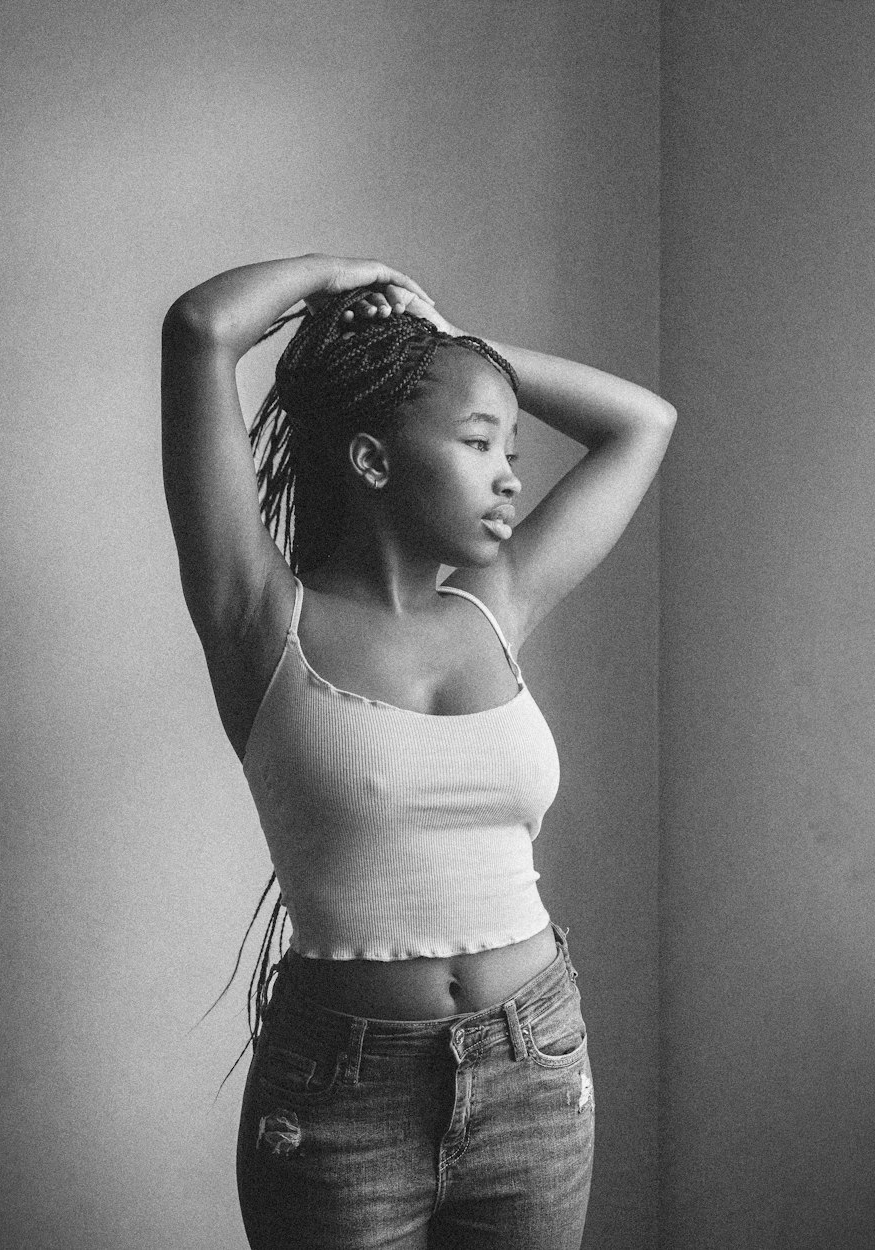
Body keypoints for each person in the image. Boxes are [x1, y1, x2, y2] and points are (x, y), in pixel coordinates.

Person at [160, 253, 675, 1249]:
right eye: (478, 440)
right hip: (339, 1094)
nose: (511, 471)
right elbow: (199, 329)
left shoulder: (497, 604)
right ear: (371, 458)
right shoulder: (259, 617)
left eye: (510, 442)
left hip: (535, 1057)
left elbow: (641, 421)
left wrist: (441, 349)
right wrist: (341, 277)